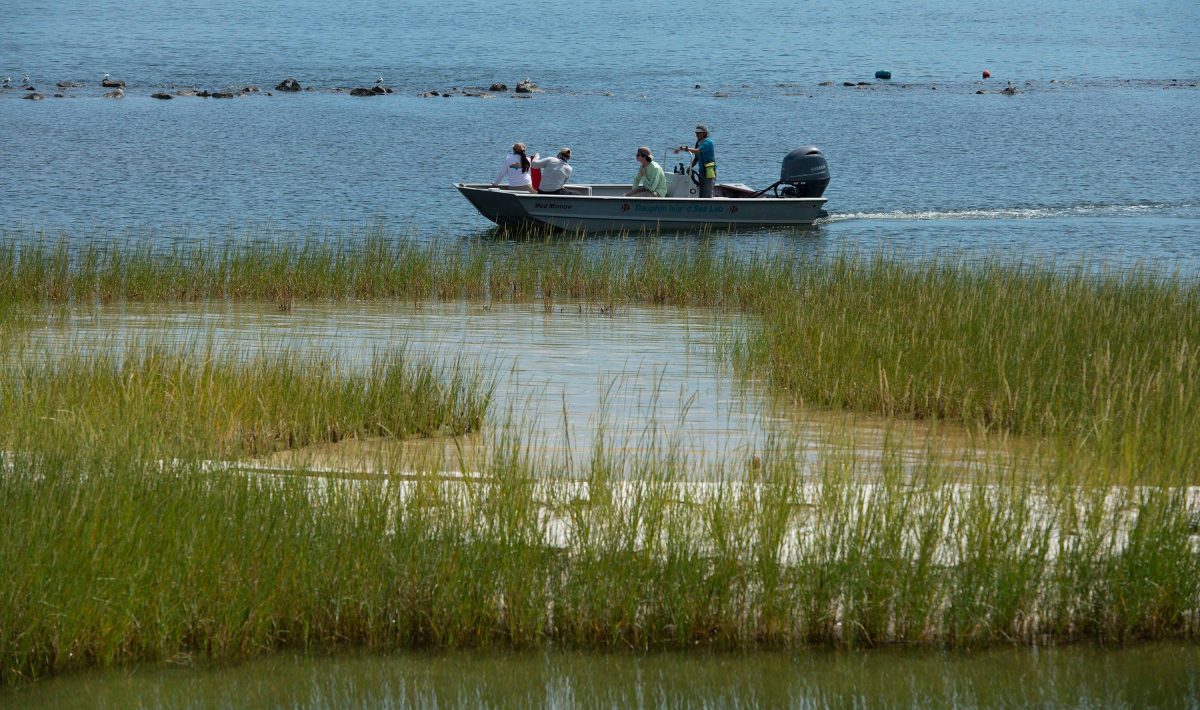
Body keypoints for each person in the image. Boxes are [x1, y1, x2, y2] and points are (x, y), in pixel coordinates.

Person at [673, 124, 716, 197]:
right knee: (701, 193)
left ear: (705, 133)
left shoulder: (708, 143)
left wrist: (684, 148)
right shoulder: (698, 142)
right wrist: (690, 167)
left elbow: (697, 151)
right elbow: (696, 158)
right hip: (702, 171)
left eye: (699, 133)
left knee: (707, 194)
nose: (697, 134)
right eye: (696, 133)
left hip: (709, 172)